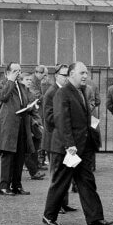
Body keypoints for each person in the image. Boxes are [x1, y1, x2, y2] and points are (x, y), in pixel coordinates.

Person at [42, 62, 113, 225]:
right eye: (82, 73)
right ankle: (48, 215)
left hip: (82, 147)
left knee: (87, 181)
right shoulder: (63, 93)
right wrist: (69, 145)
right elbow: (61, 120)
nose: (85, 76)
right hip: (70, 149)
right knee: (61, 181)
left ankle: (95, 218)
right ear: (71, 74)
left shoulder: (81, 91)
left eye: (86, 73)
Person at [0, 62, 36, 196]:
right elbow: (3, 96)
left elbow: (25, 102)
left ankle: (17, 185)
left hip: (22, 124)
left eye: (19, 71)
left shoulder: (22, 87)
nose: (18, 73)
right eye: (15, 71)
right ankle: (4, 186)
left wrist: (30, 107)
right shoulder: (0, 84)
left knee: (20, 156)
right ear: (7, 72)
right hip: (8, 126)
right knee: (8, 156)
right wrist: (10, 81)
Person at [42, 65, 79, 214]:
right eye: (64, 75)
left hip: (64, 139)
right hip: (54, 140)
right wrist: (65, 122)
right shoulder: (51, 92)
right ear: (56, 75)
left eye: (68, 75)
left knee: (65, 173)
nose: (66, 78)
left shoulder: (66, 92)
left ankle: (64, 203)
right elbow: (49, 117)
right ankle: (56, 206)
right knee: (56, 174)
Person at [21, 73, 47, 181]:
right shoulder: (20, 93)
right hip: (24, 123)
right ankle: (33, 171)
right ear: (21, 80)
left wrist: (39, 123)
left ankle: (34, 170)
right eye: (26, 79)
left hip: (32, 123)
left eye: (30, 80)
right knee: (26, 149)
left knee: (34, 147)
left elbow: (35, 111)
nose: (29, 82)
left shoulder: (30, 93)